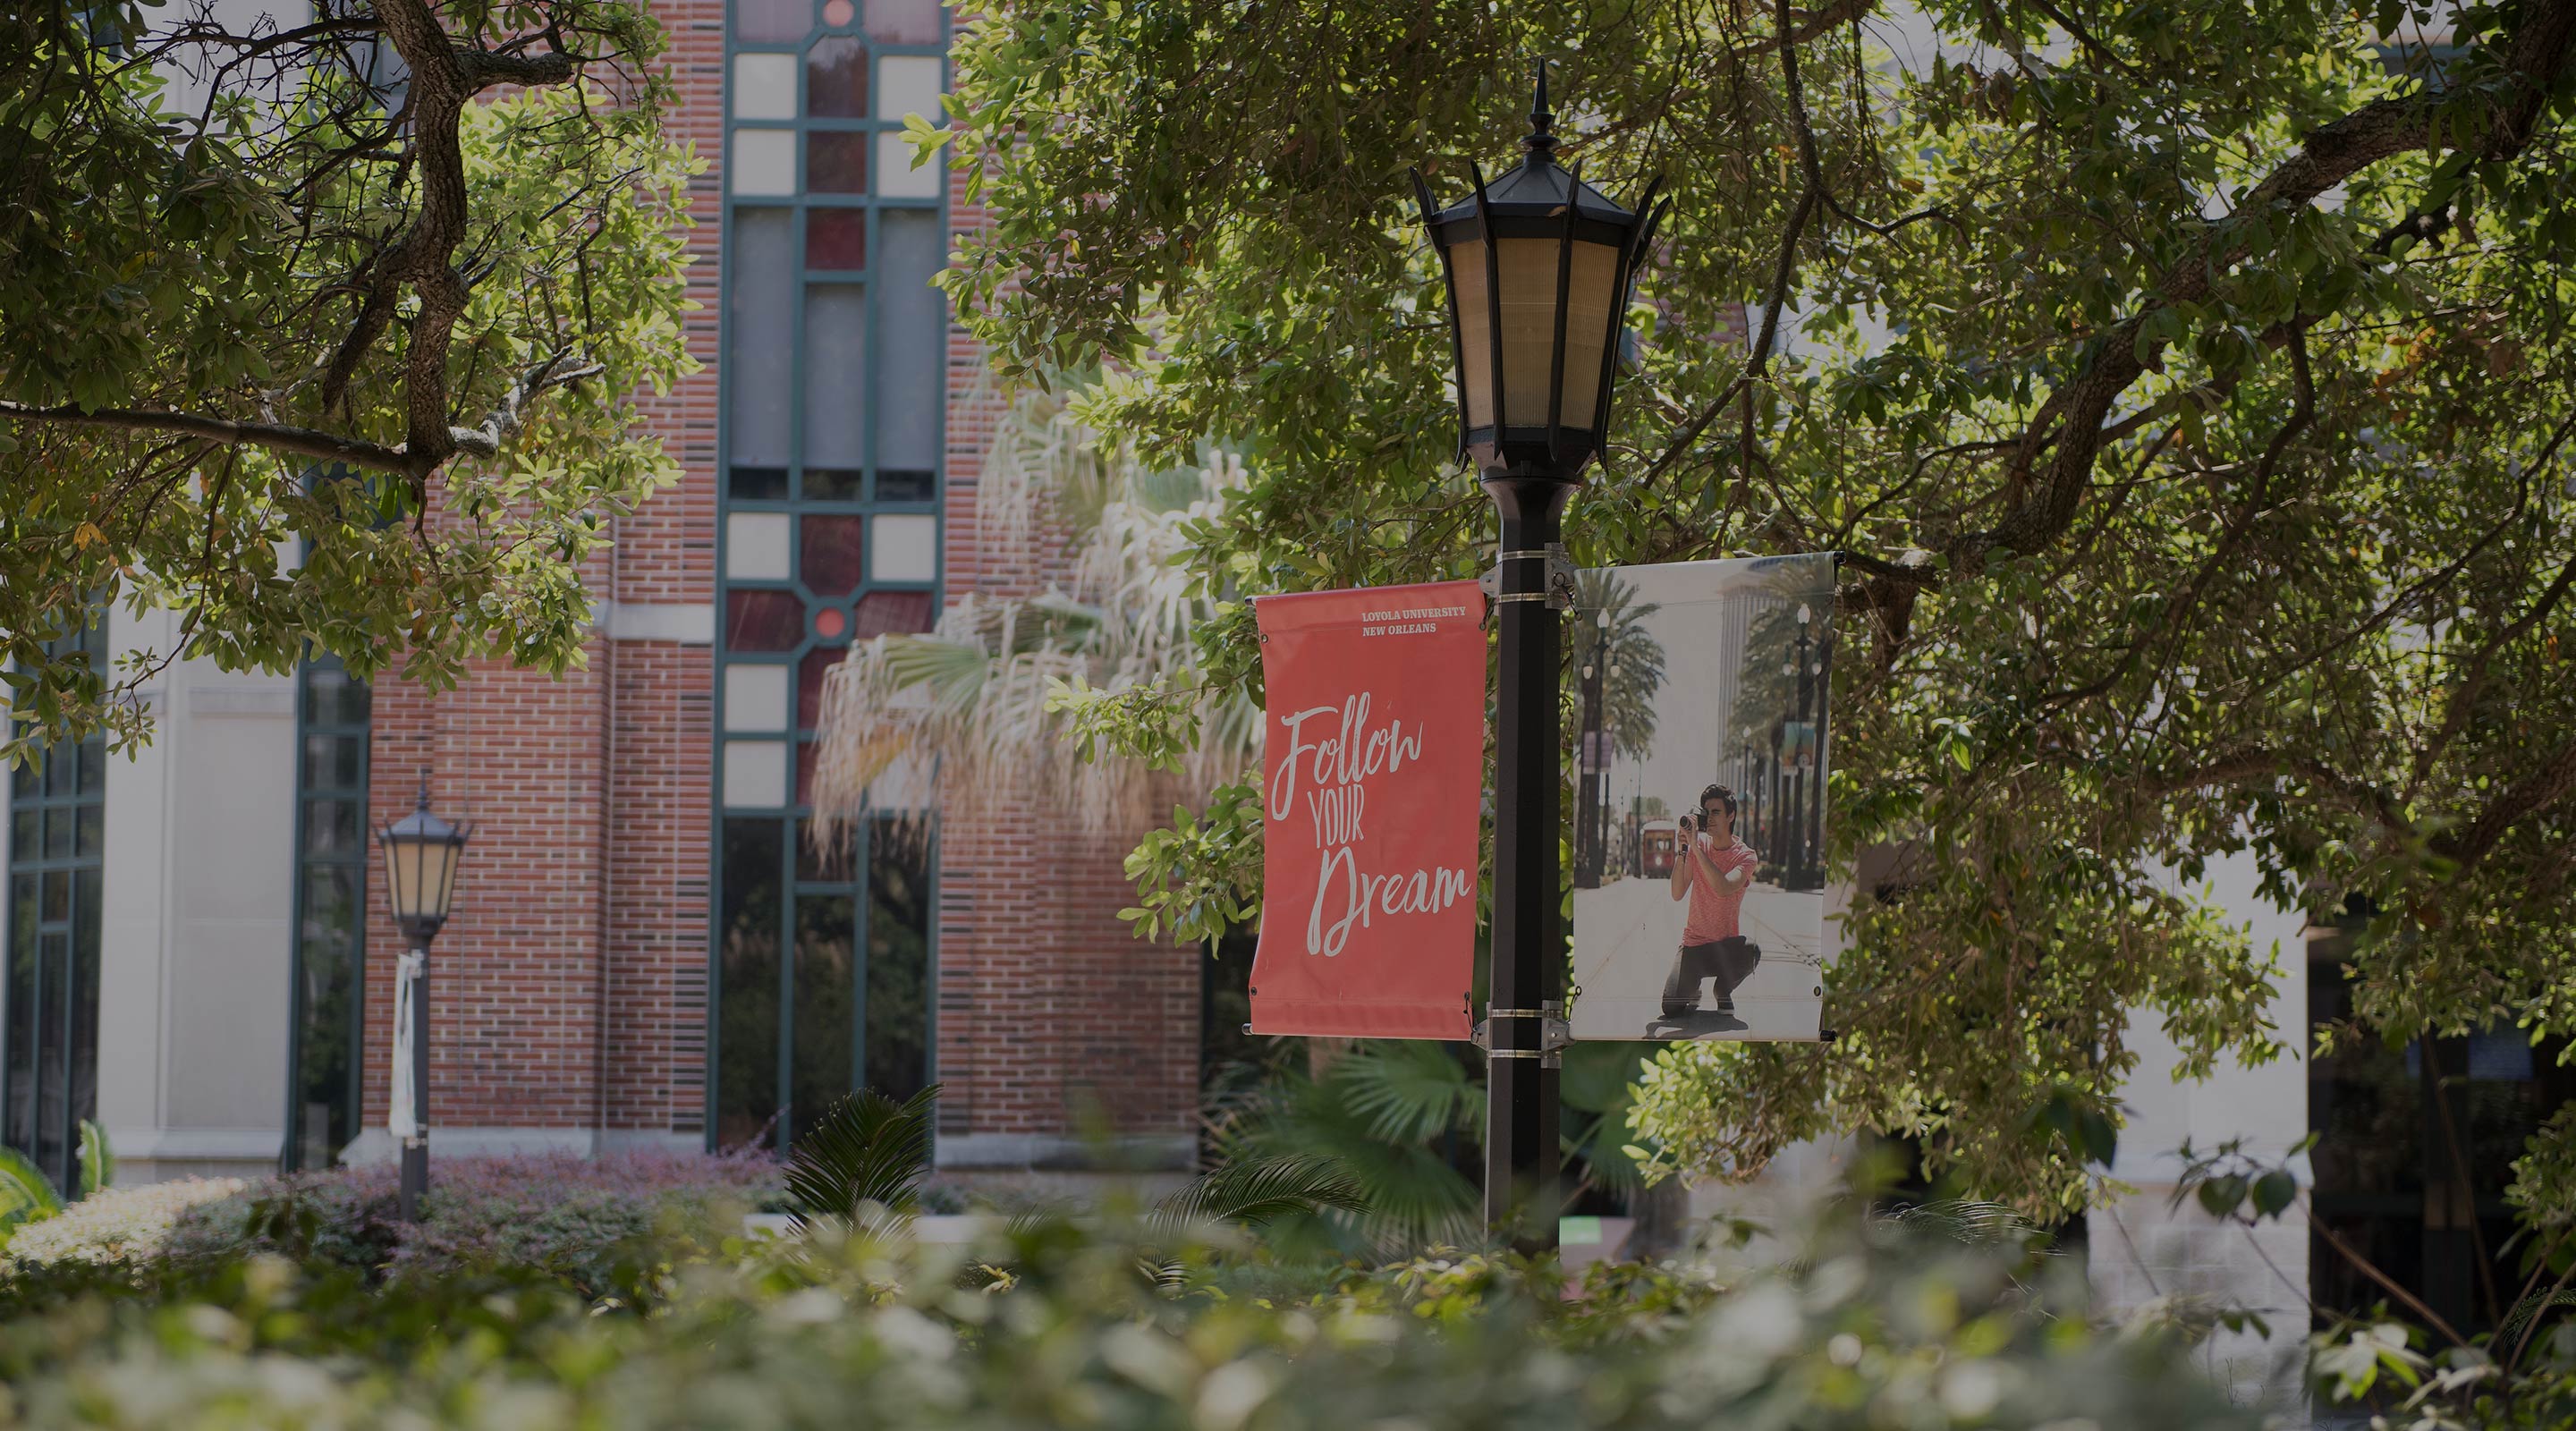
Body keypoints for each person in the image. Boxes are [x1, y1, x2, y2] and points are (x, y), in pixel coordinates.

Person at [1659, 783, 1761, 1021]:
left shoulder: (1746, 856)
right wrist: (1683, 850)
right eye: (1706, 812)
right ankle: (1693, 990)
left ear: (1731, 815)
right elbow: (1677, 893)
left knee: (1752, 950)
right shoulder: (1698, 846)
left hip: (1724, 949)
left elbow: (1724, 887)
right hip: (1693, 947)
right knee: (1671, 1008)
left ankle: (1722, 990)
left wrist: (1696, 846)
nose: (1710, 818)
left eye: (1716, 812)